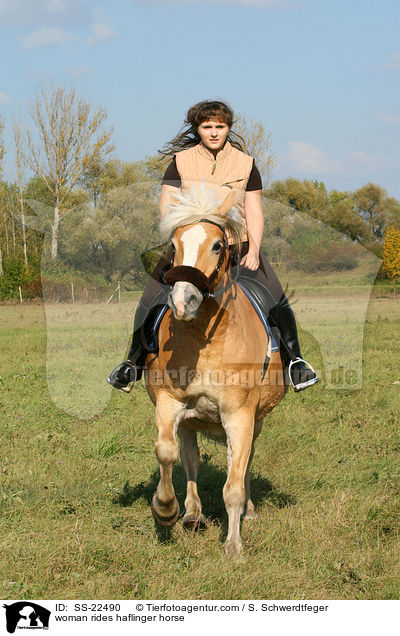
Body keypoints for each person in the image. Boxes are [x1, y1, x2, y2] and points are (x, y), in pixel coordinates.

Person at [107, 100, 318, 393]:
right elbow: (165, 206)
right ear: (198, 128)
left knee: (275, 295)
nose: (214, 132)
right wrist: (183, 239)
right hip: (189, 246)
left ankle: (296, 362)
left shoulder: (247, 165)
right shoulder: (180, 162)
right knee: (151, 296)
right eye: (207, 127)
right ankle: (132, 363)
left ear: (228, 128)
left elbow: (254, 211)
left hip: (236, 244)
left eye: (220, 126)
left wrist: (254, 250)